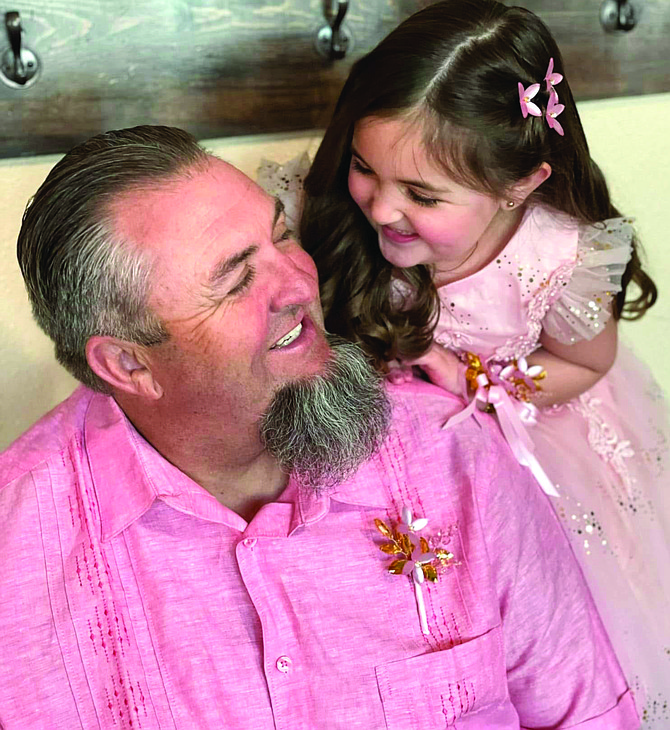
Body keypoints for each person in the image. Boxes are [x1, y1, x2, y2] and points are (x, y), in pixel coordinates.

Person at [0, 125, 639, 730]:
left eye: (280, 236)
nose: (299, 285)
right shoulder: (19, 567)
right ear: (129, 363)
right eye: (234, 282)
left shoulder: (447, 449)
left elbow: (588, 714)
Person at [289, 0, 670, 723]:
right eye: (366, 170)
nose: (381, 209)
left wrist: (480, 386)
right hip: (403, 447)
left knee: (551, 614)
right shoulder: (345, 221)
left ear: (518, 184)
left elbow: (585, 366)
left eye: (423, 195)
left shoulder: (563, 258)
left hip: (536, 440)